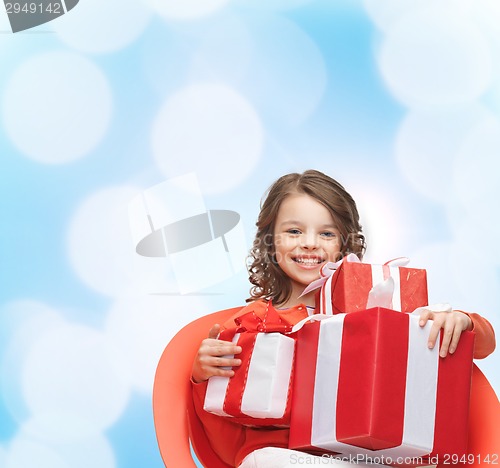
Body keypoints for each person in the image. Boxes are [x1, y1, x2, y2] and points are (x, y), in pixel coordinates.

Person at [191, 170, 496, 468]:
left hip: (361, 454)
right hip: (278, 455)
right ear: (270, 241)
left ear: (344, 244)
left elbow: (480, 347)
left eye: (326, 233)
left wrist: (461, 321)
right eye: (294, 231)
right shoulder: (256, 321)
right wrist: (203, 376)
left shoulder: (372, 313)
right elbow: (223, 429)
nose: (310, 243)